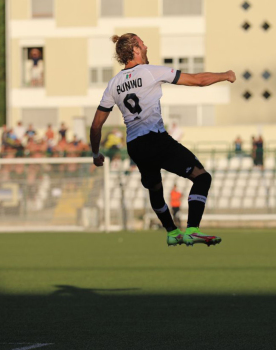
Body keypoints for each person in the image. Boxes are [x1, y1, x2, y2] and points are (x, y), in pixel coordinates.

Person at [90, 33, 235, 246]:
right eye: (142, 43)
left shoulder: (113, 84)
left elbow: (96, 125)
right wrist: (226, 75)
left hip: (135, 146)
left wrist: (95, 153)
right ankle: (192, 229)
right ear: (136, 50)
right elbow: (198, 81)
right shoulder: (151, 71)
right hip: (156, 139)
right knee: (202, 178)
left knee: (155, 189)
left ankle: (171, 231)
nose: (146, 45)